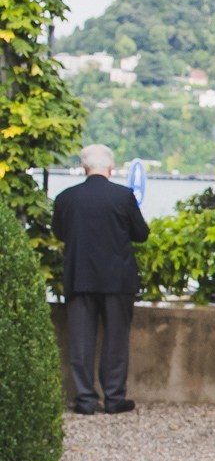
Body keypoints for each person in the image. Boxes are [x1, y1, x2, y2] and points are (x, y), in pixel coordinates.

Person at [51, 144, 150, 415]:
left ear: (84, 167)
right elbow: (141, 233)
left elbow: (59, 233)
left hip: (79, 277)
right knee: (116, 341)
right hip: (117, 280)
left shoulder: (65, 198)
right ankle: (114, 398)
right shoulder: (123, 196)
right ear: (111, 167)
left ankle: (85, 399)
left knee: (81, 342)